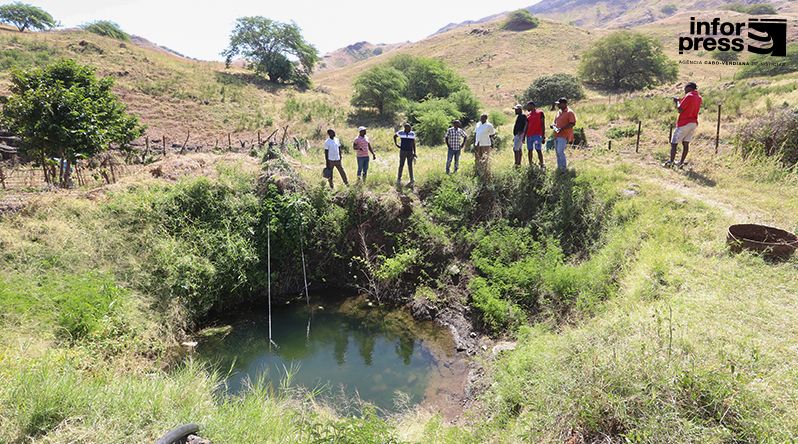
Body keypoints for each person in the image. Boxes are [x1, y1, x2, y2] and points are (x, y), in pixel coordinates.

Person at [665, 82, 702, 168]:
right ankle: (681, 162)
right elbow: (689, 105)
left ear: (689, 88)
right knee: (686, 143)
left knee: (674, 143)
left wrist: (677, 102)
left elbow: (680, 109)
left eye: (685, 88)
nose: (684, 90)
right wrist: (680, 100)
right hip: (693, 123)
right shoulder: (699, 97)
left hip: (684, 123)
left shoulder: (689, 96)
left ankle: (671, 162)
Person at [551, 98, 576, 171]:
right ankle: (559, 168)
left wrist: (562, 128)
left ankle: (564, 168)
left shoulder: (569, 112)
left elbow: (572, 123)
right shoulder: (558, 112)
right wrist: (553, 125)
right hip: (556, 135)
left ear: (564, 104)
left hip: (564, 135)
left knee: (560, 151)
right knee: (557, 153)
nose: (558, 105)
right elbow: (555, 122)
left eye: (559, 103)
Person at [525, 101, 545, 168]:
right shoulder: (528, 115)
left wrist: (543, 136)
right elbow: (527, 126)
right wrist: (524, 136)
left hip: (537, 135)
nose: (527, 107)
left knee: (538, 149)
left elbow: (543, 125)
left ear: (532, 106)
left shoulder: (540, 113)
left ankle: (542, 164)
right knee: (529, 150)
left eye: (528, 106)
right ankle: (530, 164)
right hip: (529, 136)